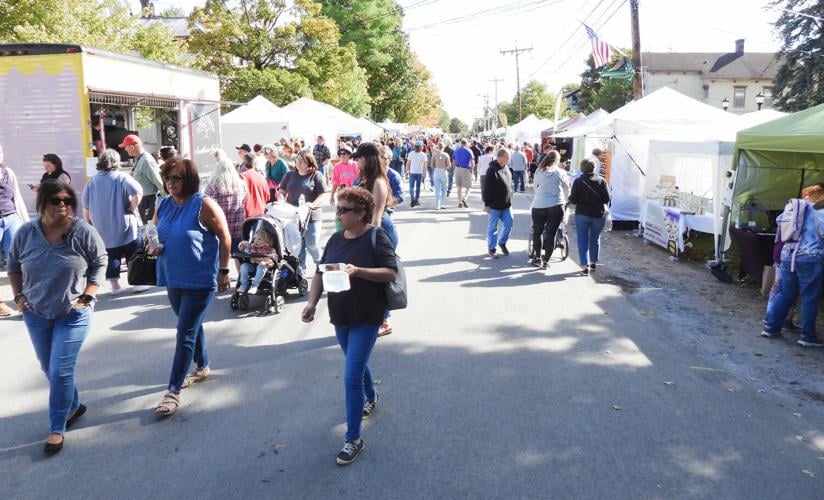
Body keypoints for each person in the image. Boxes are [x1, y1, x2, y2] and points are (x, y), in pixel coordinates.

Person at [8, 180, 107, 455]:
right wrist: (19, 296)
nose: (63, 205)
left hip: (72, 314)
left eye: (67, 200)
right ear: (42, 203)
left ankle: (56, 428)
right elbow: (14, 266)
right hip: (36, 313)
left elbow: (100, 261)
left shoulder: (81, 231)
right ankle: (73, 406)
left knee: (61, 370)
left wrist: (87, 295)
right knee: (49, 369)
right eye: (56, 200)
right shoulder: (26, 232)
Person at [301, 187, 398, 466]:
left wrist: (359, 271)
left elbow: (390, 271)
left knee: (350, 375)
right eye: (338, 208)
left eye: (344, 210)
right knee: (355, 363)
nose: (339, 214)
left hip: (367, 316)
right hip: (340, 315)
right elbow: (320, 272)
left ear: (362, 212)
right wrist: (311, 303)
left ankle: (353, 439)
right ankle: (372, 395)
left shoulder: (376, 236)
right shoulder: (334, 239)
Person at [151, 156, 232, 416]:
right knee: (191, 326)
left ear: (190, 179)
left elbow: (225, 236)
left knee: (184, 330)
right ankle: (203, 367)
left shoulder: (203, 204)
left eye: (177, 178)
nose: (171, 183)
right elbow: (154, 233)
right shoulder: (162, 205)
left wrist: (223, 270)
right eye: (167, 177)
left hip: (199, 279)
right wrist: (152, 245)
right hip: (171, 276)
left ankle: (172, 390)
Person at [762, 184, 824, 348]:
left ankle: (771, 327)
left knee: (785, 293)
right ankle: (807, 336)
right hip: (811, 258)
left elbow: (779, 222)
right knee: (809, 297)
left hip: (788, 256)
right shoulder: (820, 211)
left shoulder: (793, 207)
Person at [81, 149, 145, 295]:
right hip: (125, 223)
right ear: (116, 162)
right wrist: (131, 207)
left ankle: (115, 286)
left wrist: (89, 225)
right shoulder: (121, 177)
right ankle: (138, 283)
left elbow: (85, 206)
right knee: (133, 251)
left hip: (102, 227)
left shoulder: (92, 182)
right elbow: (138, 191)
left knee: (111, 254)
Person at [279, 151, 328, 272]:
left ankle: (320, 265)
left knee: (312, 245)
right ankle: (301, 272)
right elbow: (281, 191)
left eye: (302, 161)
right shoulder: (289, 175)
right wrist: (281, 200)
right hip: (293, 216)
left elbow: (323, 194)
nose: (299, 163)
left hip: (311, 216)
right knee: (297, 246)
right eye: (297, 160)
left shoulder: (316, 175)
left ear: (309, 163)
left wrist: (313, 204)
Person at [0, 143, 30, 316]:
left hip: (11, 218)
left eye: (1, 151)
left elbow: (17, 198)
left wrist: (26, 223)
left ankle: (23, 301)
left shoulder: (8, 173)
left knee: (19, 261)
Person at [568, 159, 611, 275]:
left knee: (582, 239)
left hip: (582, 213)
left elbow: (573, 199)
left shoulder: (578, 181)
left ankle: (584, 265)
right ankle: (593, 262)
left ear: (582, 168)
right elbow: (606, 199)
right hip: (598, 214)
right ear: (594, 168)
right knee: (595, 238)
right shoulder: (602, 181)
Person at [530, 151, 570, 270]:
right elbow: (567, 189)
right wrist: (566, 200)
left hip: (539, 205)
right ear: (558, 160)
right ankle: (546, 260)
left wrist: (540, 195)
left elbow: (535, 187)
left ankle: (537, 257)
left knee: (537, 232)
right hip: (556, 205)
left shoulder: (539, 171)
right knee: (551, 234)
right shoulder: (561, 173)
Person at [204, 156, 247, 260]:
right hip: (237, 228)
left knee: (219, 260)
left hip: (219, 229)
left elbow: (206, 205)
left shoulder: (213, 186)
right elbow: (245, 200)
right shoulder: (241, 184)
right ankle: (241, 276)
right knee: (238, 258)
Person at [122, 134, 163, 224]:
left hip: (148, 201)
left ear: (132, 147)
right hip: (141, 201)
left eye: (126, 147)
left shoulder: (146, 160)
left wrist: (169, 202)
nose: (125, 149)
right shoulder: (139, 159)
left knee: (149, 231)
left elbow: (159, 182)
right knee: (145, 230)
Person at [482, 149, 513, 259]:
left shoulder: (507, 168)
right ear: (501, 157)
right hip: (494, 205)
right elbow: (486, 188)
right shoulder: (492, 170)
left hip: (506, 204)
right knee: (493, 228)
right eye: (508, 156)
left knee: (509, 224)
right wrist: (486, 204)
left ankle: (502, 242)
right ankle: (492, 248)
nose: (509, 158)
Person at [237, 230, 274, 295]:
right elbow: (244, 248)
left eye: (259, 239)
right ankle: (244, 285)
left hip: (264, 268)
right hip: (253, 266)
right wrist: (242, 245)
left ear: (266, 241)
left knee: (261, 265)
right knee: (244, 266)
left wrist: (267, 258)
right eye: (255, 238)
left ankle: (254, 286)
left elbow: (273, 257)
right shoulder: (252, 246)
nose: (256, 241)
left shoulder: (270, 249)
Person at [453, 139, 475, 208]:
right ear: (466, 144)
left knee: (459, 187)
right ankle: (464, 198)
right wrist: (472, 171)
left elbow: (453, 160)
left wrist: (455, 169)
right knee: (469, 186)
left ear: (460, 143)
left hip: (457, 168)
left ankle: (459, 202)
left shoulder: (456, 150)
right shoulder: (469, 150)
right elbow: (472, 162)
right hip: (465, 169)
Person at [405, 143, 427, 207]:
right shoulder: (423, 154)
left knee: (411, 186)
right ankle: (416, 200)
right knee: (418, 187)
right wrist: (425, 173)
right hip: (419, 173)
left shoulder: (411, 153)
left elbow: (408, 163)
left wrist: (406, 171)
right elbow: (425, 166)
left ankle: (412, 198)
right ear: (421, 147)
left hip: (412, 172)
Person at [430, 143, 451, 210]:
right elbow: (449, 165)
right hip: (443, 171)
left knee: (437, 189)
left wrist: (436, 167)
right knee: (444, 188)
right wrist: (445, 168)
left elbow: (432, 165)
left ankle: (437, 205)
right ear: (443, 147)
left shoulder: (434, 154)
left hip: (436, 171)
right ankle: (443, 204)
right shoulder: (446, 154)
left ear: (437, 147)